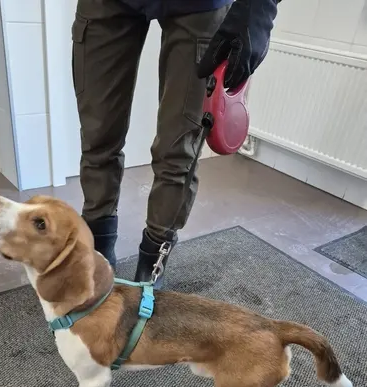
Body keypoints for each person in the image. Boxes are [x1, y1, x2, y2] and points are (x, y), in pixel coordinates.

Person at [72, 0, 280, 288]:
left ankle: (152, 267)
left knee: (178, 152)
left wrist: (259, 7)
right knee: (98, 138)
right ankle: (98, 250)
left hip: (201, 5)